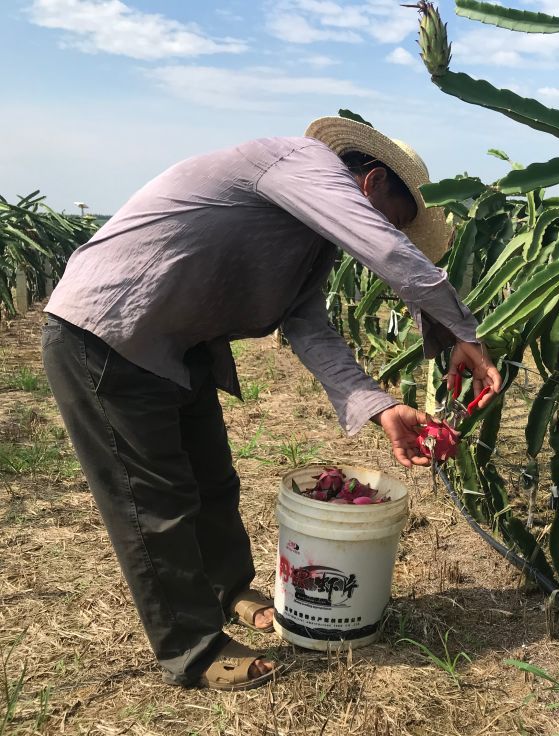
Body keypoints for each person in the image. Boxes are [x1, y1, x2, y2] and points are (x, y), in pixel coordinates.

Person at [41, 116, 502, 691]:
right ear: (372, 181)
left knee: (213, 481)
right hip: (109, 329)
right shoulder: (296, 163)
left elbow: (308, 328)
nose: (391, 231)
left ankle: (228, 590)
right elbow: (383, 247)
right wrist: (462, 330)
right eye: (396, 217)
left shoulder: (311, 239)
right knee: (152, 504)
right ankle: (191, 648)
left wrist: (382, 408)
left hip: (179, 343)